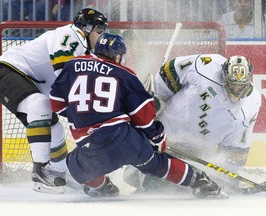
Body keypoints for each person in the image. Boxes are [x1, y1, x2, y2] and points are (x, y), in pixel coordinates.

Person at [49, 33, 225, 198]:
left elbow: (55, 103)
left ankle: (104, 188)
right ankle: (200, 181)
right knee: (155, 164)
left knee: (77, 167)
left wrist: (77, 114)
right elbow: (143, 116)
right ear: (118, 56)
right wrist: (157, 138)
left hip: (90, 144)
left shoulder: (73, 65)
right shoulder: (124, 74)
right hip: (124, 138)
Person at [0, 8, 108, 194]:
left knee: (56, 130)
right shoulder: (70, 34)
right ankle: (40, 170)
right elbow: (66, 79)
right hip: (8, 73)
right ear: (86, 28)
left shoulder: (86, 53)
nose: (101, 37)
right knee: (40, 105)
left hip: (30, 83)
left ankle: (61, 172)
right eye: (99, 32)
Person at [124, 54, 261, 192]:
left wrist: (230, 174)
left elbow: (237, 146)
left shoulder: (251, 104)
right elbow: (170, 71)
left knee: (171, 189)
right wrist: (155, 100)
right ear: (224, 74)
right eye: (232, 85)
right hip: (162, 133)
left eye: (240, 86)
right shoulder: (206, 65)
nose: (235, 90)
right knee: (134, 175)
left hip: (197, 152)